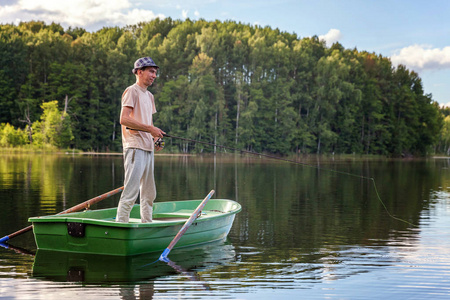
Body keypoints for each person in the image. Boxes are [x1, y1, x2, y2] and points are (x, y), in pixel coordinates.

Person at [116, 57, 165, 223]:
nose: (154, 76)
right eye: (151, 71)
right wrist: (150, 129)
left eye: (155, 73)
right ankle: (121, 224)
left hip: (147, 148)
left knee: (149, 193)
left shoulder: (150, 96)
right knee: (131, 191)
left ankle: (147, 224)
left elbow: (148, 123)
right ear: (139, 72)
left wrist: (156, 138)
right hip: (134, 147)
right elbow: (124, 119)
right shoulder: (131, 91)